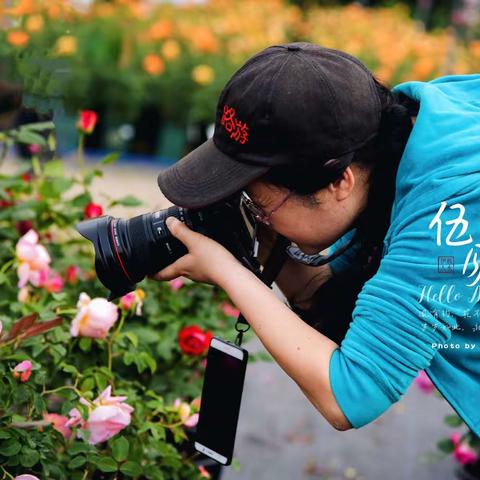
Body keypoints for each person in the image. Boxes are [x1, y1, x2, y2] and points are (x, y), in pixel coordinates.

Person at [152, 42, 480, 435]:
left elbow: (351, 394)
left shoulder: (446, 213)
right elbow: (333, 304)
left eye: (260, 206)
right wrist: (257, 248)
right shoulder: (409, 130)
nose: (259, 219)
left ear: (339, 182)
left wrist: (226, 271)